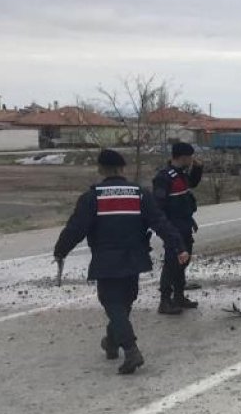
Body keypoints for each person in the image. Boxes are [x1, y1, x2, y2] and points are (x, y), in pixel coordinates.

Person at [54, 149, 188, 374]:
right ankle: (111, 340)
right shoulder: (139, 194)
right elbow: (160, 222)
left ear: (100, 169)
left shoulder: (92, 197)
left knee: (113, 304)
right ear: (122, 168)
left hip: (106, 260)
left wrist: (60, 251)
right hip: (135, 258)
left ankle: (131, 349)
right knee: (124, 302)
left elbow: (75, 228)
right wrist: (178, 246)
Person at [152, 141, 203, 314]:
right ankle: (165, 300)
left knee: (184, 259)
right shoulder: (164, 177)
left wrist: (198, 169)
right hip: (172, 226)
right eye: (190, 157)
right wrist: (165, 228)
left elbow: (191, 185)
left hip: (184, 223)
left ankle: (179, 296)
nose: (192, 160)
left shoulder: (180, 174)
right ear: (183, 157)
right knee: (172, 262)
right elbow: (158, 205)